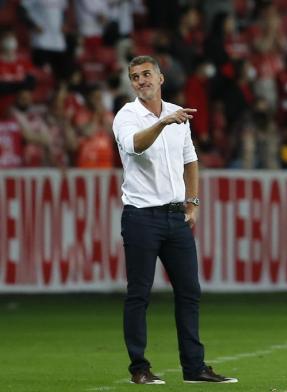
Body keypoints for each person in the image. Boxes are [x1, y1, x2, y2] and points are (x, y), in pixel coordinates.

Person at [112, 55, 238, 385]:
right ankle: (139, 368)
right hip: (141, 216)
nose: (141, 80)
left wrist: (192, 203)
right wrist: (162, 124)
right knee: (139, 293)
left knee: (189, 292)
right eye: (135, 76)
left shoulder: (177, 113)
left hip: (175, 216)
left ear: (161, 78)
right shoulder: (128, 116)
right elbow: (135, 145)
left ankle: (194, 368)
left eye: (146, 74)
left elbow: (190, 160)